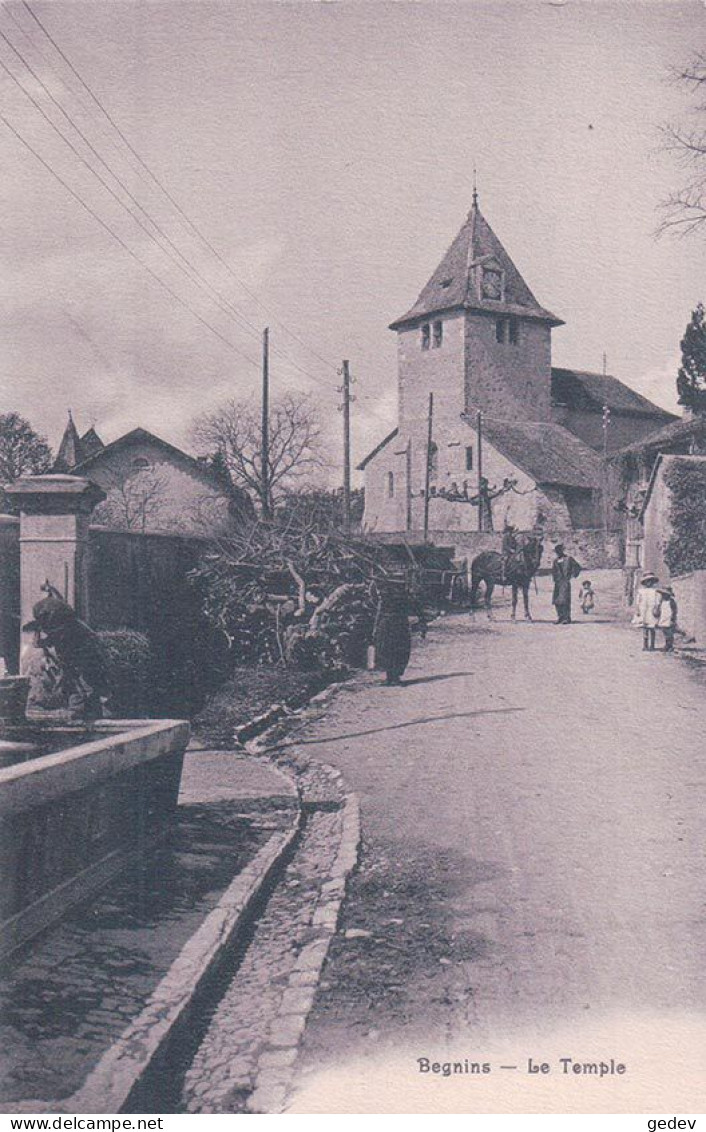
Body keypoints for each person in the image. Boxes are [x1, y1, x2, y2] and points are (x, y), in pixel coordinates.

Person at [371, 576, 412, 686]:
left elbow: (379, 614)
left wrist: (375, 629)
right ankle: (395, 677)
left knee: (386, 650)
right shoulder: (404, 597)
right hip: (400, 625)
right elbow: (409, 611)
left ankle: (390, 678)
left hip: (387, 625)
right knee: (399, 650)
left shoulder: (384, 598)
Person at [551, 544, 581, 624]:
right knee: (557, 600)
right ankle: (560, 617)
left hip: (565, 582)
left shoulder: (568, 559)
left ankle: (567, 618)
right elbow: (553, 570)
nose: (558, 553)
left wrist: (573, 575)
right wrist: (555, 578)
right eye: (557, 552)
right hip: (557, 582)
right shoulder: (555, 561)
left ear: (562, 551)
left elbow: (577, 567)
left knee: (565, 600)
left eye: (559, 551)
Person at [632, 571, 660, 651]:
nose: (649, 583)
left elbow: (657, 601)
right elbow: (638, 602)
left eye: (650, 581)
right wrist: (637, 610)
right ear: (644, 582)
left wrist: (657, 608)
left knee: (652, 627)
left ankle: (652, 645)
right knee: (645, 628)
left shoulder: (655, 591)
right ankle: (645, 645)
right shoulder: (641, 591)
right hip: (643, 610)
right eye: (647, 581)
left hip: (651, 610)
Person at [656, 585, 678, 652]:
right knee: (665, 632)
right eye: (662, 594)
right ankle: (667, 644)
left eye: (665, 594)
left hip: (669, 619)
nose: (663, 596)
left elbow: (674, 611)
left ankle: (669, 645)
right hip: (663, 618)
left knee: (669, 633)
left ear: (668, 595)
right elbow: (660, 610)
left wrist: (672, 619)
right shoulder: (662, 601)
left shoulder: (671, 602)